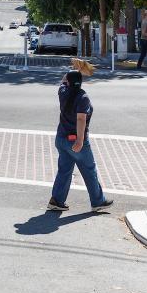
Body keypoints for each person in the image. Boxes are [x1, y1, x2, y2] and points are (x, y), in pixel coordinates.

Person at [47, 69, 112, 213]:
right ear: (81, 82)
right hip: (75, 141)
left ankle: (56, 201)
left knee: (64, 170)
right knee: (89, 170)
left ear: (69, 82)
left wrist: (74, 70)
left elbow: (64, 80)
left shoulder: (63, 92)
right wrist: (80, 141)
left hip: (61, 139)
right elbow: (81, 118)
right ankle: (98, 201)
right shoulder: (83, 97)